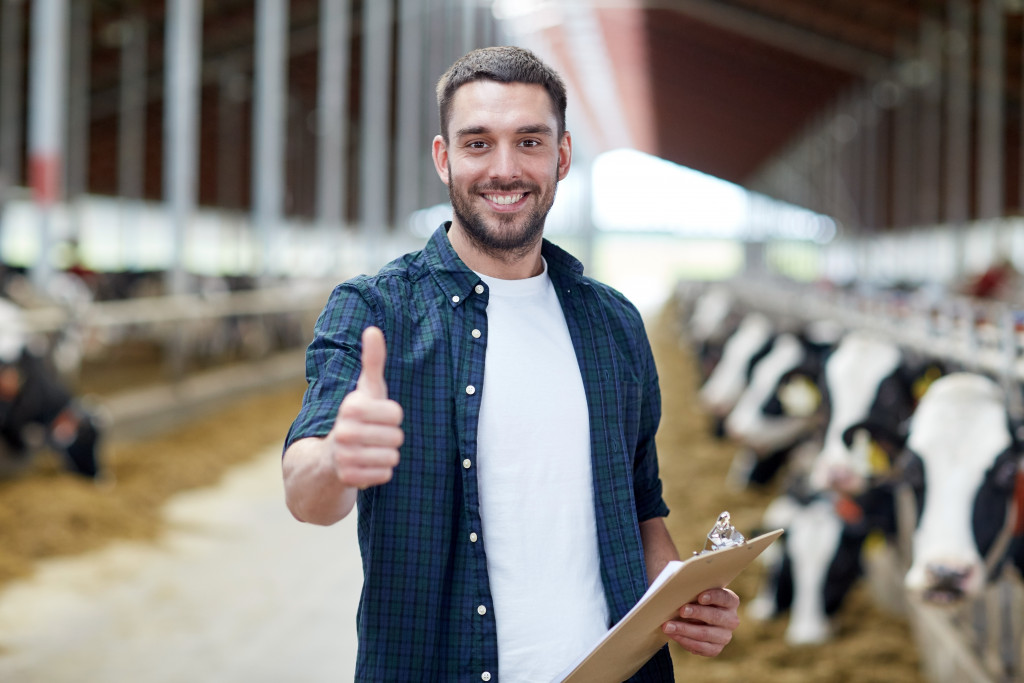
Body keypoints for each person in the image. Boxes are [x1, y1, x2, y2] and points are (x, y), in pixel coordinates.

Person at [282, 45, 740, 682]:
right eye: (477, 143)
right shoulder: (373, 310)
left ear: (562, 156)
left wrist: (685, 600)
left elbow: (641, 507)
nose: (505, 169)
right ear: (444, 158)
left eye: (529, 141)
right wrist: (337, 460)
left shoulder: (614, 325)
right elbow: (308, 493)